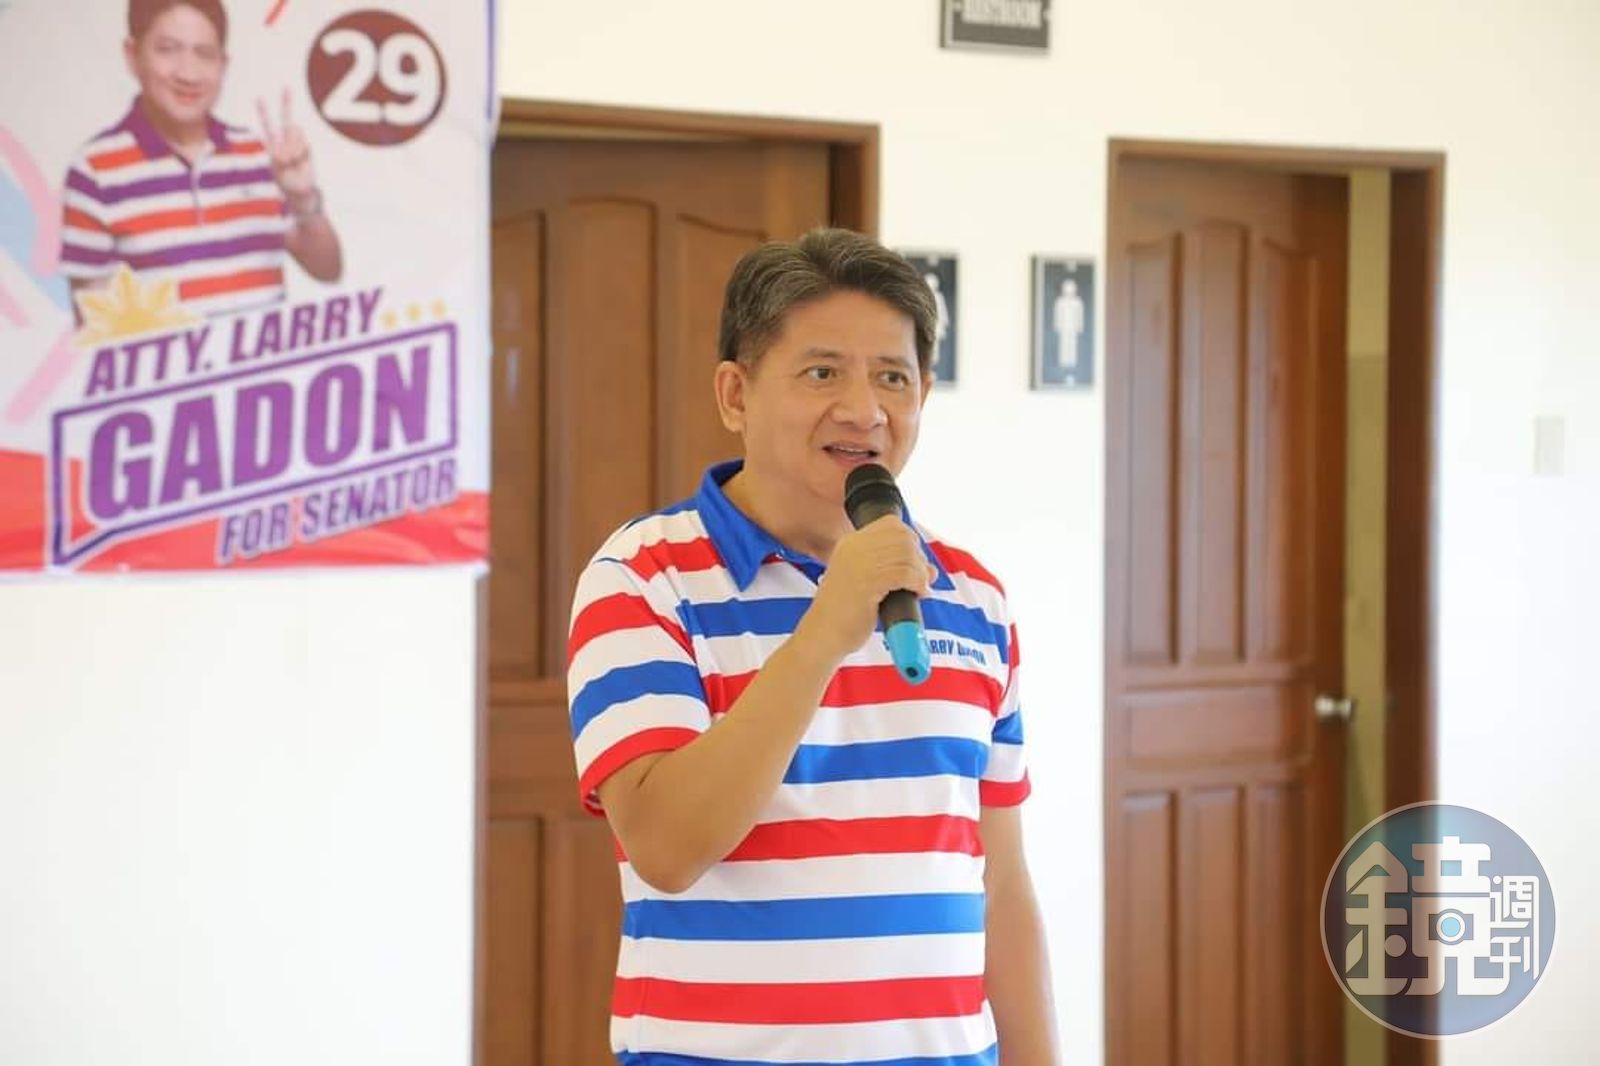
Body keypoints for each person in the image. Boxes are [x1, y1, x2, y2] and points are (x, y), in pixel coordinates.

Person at [566, 228, 1060, 1064]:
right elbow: (668, 848)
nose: (865, 410)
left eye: (892, 377)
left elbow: (1002, 884)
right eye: (823, 372)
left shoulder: (973, 597)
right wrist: (826, 630)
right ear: (736, 395)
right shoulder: (643, 579)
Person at [58, 0, 342, 320]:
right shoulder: (95, 170)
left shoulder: (256, 153)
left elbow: (328, 269)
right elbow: (95, 328)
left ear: (224, 65)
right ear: (133, 56)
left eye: (204, 54)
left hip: (270, 356)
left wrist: (303, 198)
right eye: (168, 49)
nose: (189, 74)